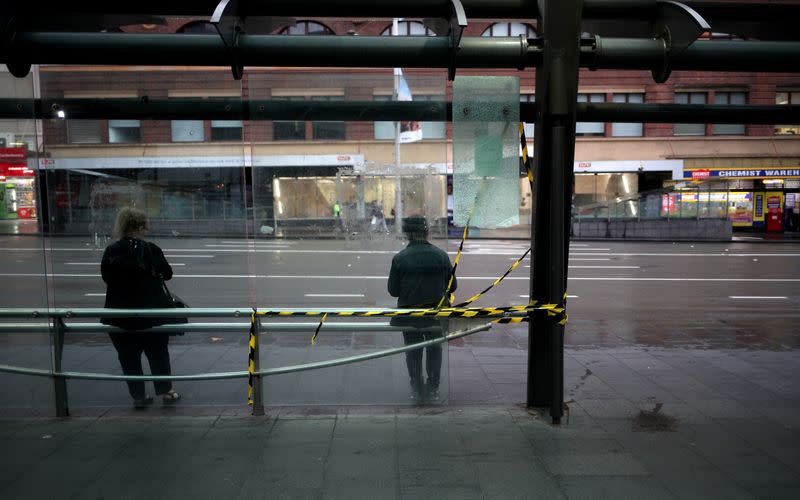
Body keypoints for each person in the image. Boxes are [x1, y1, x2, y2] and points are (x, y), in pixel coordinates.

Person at [101, 207, 181, 408]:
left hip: (121, 315)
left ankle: (138, 396)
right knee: (158, 354)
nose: (147, 230)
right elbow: (168, 273)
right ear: (138, 227)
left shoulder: (112, 251)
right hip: (151, 314)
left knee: (128, 357)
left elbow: (107, 278)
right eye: (145, 227)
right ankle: (165, 391)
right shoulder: (151, 249)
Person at [388, 216, 456, 402]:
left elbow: (393, 291)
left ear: (407, 235)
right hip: (436, 316)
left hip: (409, 317)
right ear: (427, 233)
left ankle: (416, 387)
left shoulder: (400, 258)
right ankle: (433, 388)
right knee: (434, 349)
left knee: (413, 350)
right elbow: (453, 286)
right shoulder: (441, 255)